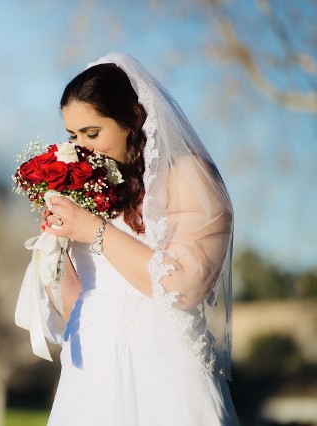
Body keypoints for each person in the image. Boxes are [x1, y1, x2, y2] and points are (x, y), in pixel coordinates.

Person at [36, 52, 239, 424]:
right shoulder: (93, 193)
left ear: (131, 120)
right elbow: (75, 305)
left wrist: (95, 231)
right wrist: (57, 246)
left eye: (92, 133)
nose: (81, 147)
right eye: (73, 135)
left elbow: (185, 287)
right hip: (89, 379)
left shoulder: (189, 174)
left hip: (164, 373)